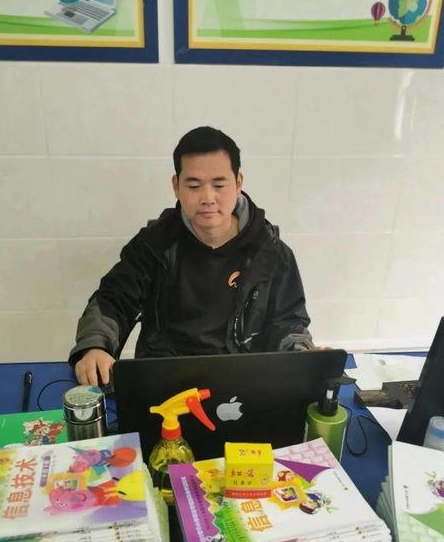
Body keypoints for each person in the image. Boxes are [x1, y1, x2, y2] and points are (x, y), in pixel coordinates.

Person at [70, 126, 313, 386]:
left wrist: (302, 356)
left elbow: (289, 321)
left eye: (219, 184)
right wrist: (95, 346)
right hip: (164, 375)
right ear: (176, 186)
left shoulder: (271, 252)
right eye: (194, 185)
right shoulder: (154, 244)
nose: (208, 198)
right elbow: (113, 299)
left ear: (238, 183)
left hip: (244, 378)